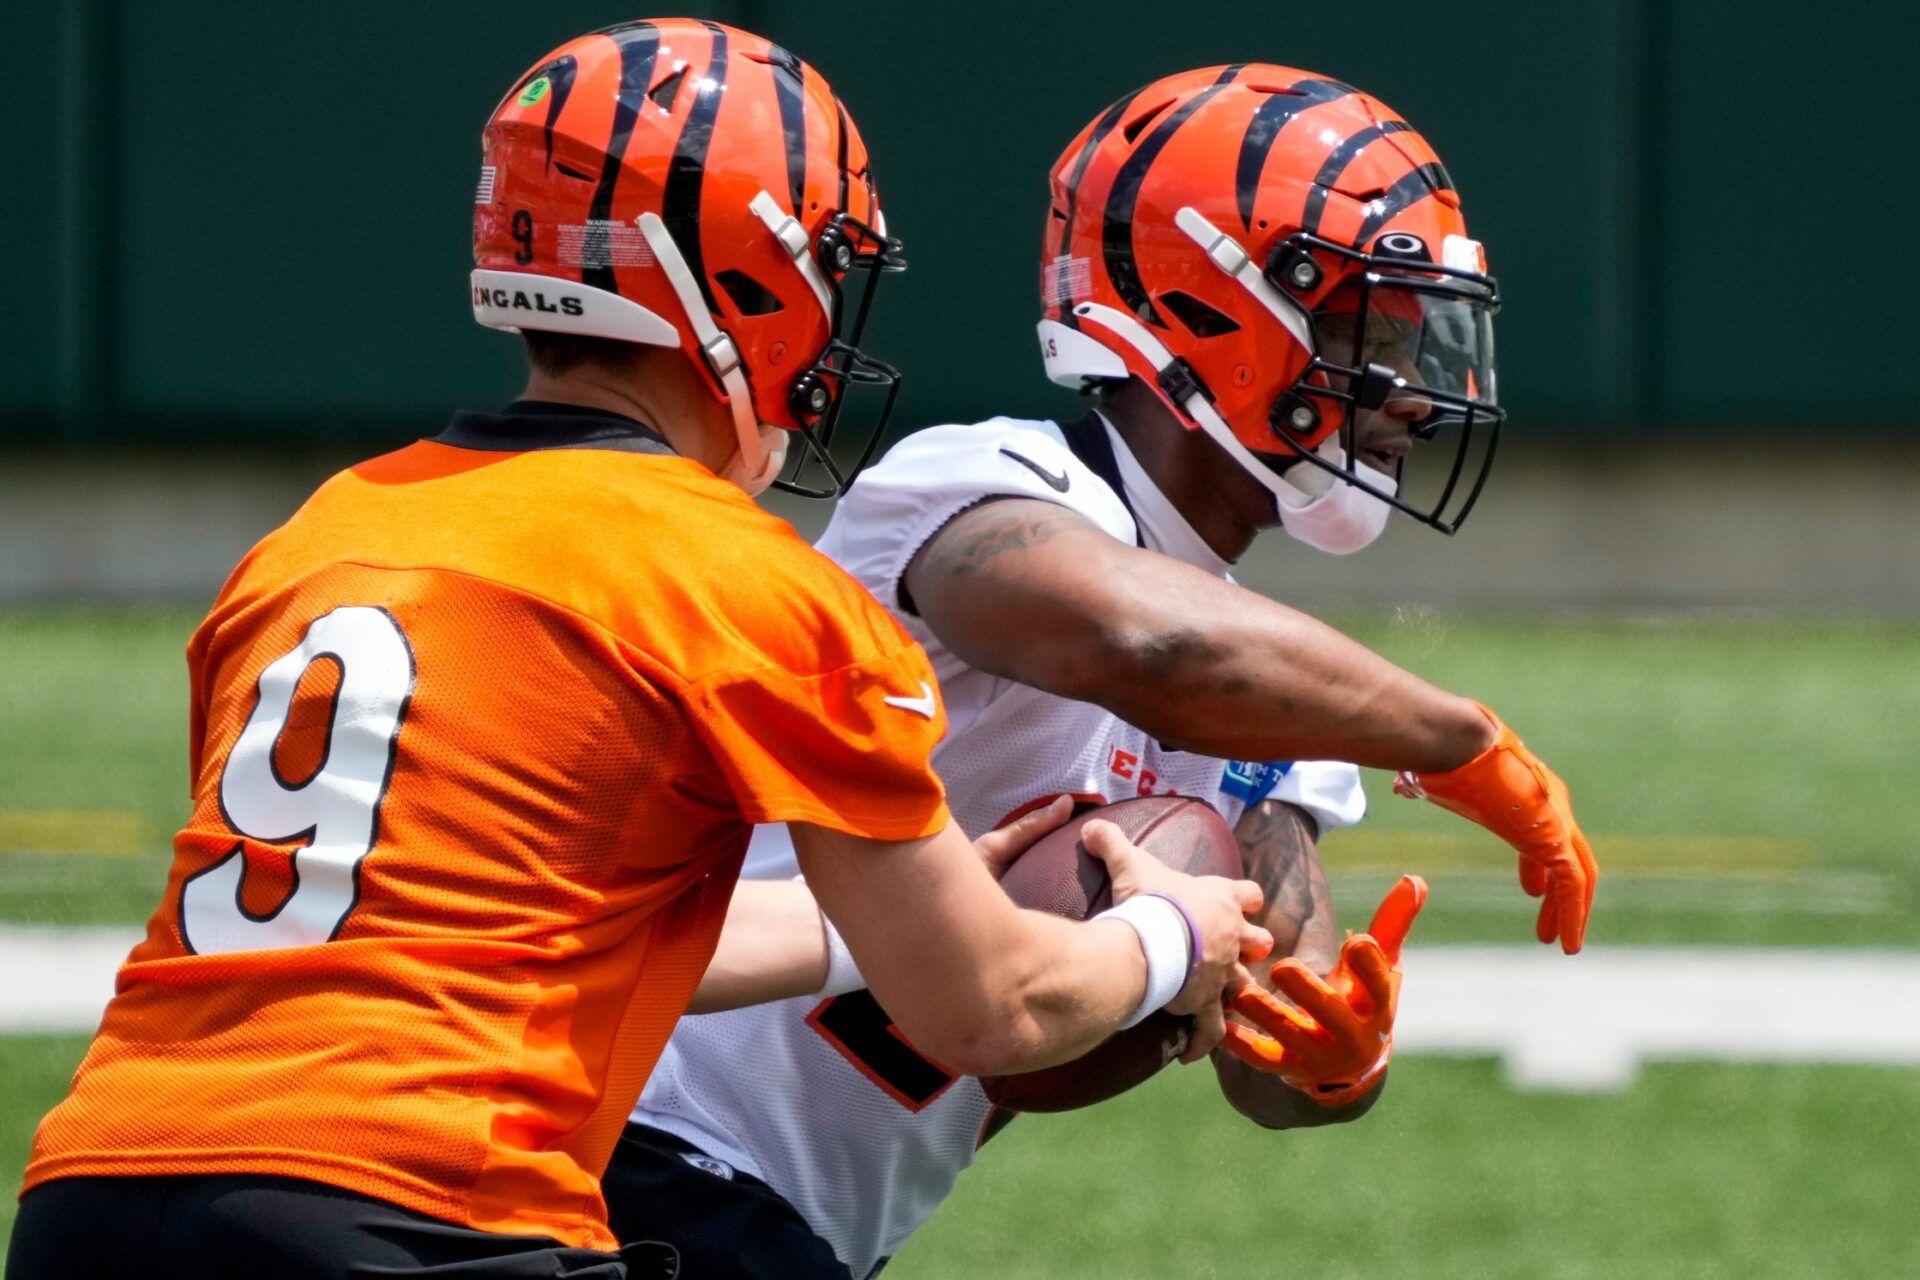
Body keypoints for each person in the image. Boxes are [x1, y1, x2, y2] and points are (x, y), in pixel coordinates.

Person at [6, 27, 1269, 1280]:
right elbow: (988, 1008)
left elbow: (493, 924)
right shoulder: (738, 573)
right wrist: (1170, 931)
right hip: (418, 1206)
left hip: (90, 1198)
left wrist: (866, 926)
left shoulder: (315, 537)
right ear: (751, 282)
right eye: (823, 274)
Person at [610, 64, 1600, 1280]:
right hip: (641, 1135)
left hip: (793, 1221)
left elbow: (1271, 1068)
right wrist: (1458, 737)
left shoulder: (1277, 682)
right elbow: (1140, 645)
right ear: (1222, 309)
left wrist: (1334, 1055)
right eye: (1366, 330)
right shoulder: (975, 486)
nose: (1406, 395)